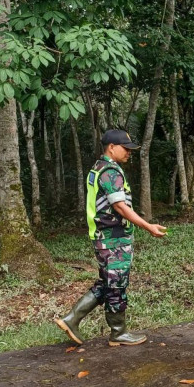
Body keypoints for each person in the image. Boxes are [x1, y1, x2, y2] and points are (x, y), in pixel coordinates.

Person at [56, 129, 166, 346]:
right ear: (111, 148)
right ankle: (118, 332)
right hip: (112, 237)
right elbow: (119, 206)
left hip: (103, 235)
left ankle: (72, 319)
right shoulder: (110, 171)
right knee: (116, 284)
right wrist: (147, 226)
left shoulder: (98, 168)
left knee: (108, 281)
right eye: (126, 149)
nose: (129, 153)